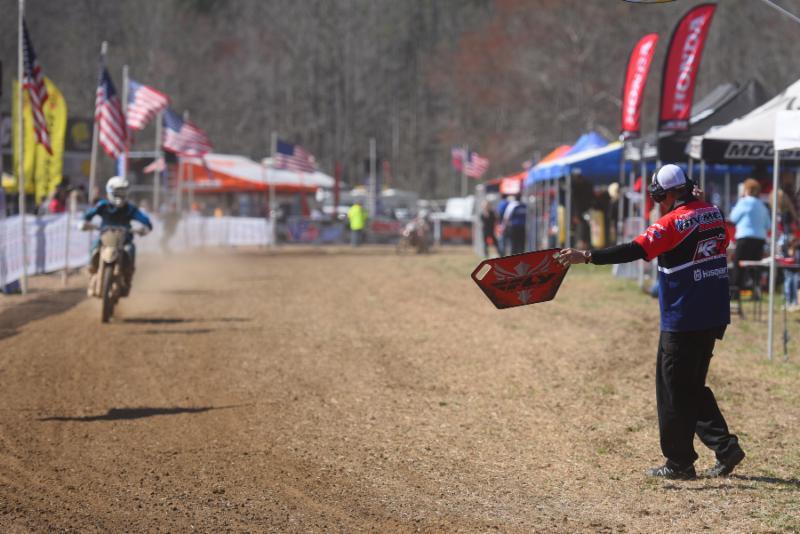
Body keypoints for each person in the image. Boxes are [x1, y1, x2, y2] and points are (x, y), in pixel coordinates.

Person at [557, 164, 745, 480]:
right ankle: (725, 448)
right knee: (689, 385)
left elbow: (634, 249)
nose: (657, 201)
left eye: (658, 195)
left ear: (668, 194)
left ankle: (679, 462)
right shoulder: (713, 212)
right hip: (713, 314)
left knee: (673, 390)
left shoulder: (671, 223)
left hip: (684, 317)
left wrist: (587, 256)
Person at [81, 176, 152, 295]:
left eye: (122, 193)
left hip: (124, 241)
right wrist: (83, 222)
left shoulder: (130, 208)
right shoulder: (103, 206)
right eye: (117, 193)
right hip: (105, 239)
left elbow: (145, 220)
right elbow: (88, 215)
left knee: (130, 249)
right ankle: (91, 271)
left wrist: (146, 228)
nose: (119, 196)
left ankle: (128, 278)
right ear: (110, 192)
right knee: (94, 246)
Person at [729, 178, 770, 296]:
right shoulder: (762, 205)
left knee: (738, 265)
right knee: (756, 267)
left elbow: (733, 218)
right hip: (759, 239)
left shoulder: (744, 202)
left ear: (746, 189)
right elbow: (768, 224)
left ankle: (735, 291)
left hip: (744, 238)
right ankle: (757, 291)